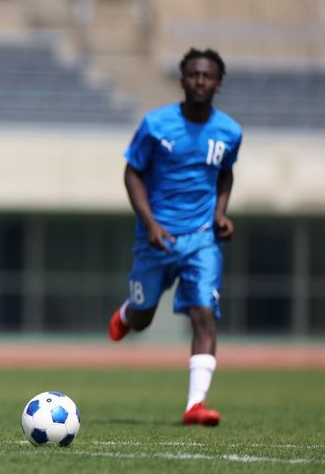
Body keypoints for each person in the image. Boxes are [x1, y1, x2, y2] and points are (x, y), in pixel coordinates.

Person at [107, 48, 242, 426]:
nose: (200, 81)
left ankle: (195, 405)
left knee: (204, 313)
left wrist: (219, 214)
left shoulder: (230, 132)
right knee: (144, 316)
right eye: (194, 74)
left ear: (218, 83)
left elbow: (225, 173)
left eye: (208, 75)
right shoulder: (155, 125)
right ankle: (126, 314)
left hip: (202, 240)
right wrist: (150, 223)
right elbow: (132, 173)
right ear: (182, 79)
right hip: (157, 238)